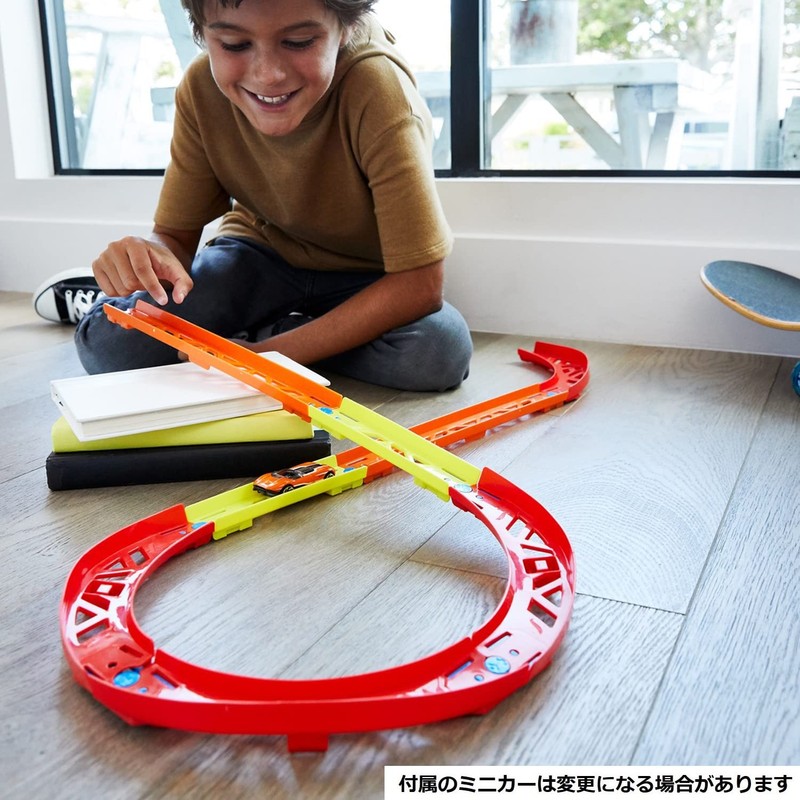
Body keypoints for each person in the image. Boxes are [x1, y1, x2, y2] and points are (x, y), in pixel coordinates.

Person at [35, 0, 472, 392]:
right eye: (234, 44)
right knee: (111, 347)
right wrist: (149, 255)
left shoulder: (378, 88)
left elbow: (419, 284)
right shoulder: (202, 88)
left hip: (365, 277)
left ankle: (271, 334)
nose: (268, 74)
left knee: (436, 354)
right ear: (204, 34)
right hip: (257, 255)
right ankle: (297, 334)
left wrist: (267, 358)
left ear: (346, 27)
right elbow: (175, 237)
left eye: (299, 42)